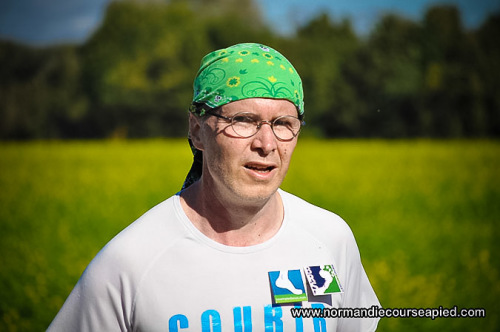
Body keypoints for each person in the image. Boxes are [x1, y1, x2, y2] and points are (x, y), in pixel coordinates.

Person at [48, 43, 380, 331]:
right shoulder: (129, 263)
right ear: (197, 131)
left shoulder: (330, 239)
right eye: (243, 120)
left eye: (283, 124)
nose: (266, 143)